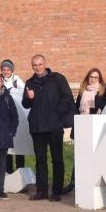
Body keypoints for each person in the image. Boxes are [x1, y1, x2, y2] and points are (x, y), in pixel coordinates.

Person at [22, 54, 75, 201]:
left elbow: (67, 97)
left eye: (39, 64)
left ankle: (56, 192)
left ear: (44, 64)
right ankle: (42, 191)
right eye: (34, 65)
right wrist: (29, 98)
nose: (37, 67)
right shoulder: (29, 82)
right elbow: (25, 104)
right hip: (37, 127)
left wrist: (57, 113)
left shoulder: (57, 79)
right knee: (40, 160)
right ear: (32, 66)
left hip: (54, 126)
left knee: (57, 159)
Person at [62, 67, 106, 194]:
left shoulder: (104, 91)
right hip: (81, 127)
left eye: (95, 77)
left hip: (96, 129)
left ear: (99, 78)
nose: (92, 79)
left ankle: (99, 185)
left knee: (96, 157)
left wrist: (99, 109)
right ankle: (74, 183)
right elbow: (76, 108)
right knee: (79, 156)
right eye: (90, 76)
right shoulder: (82, 91)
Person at [0, 59, 25, 174]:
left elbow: (24, 91)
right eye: (3, 70)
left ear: (12, 70)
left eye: (8, 69)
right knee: (7, 147)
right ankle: (8, 172)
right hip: (4, 116)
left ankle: (20, 171)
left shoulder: (16, 80)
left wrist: (11, 90)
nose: (5, 72)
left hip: (17, 114)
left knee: (19, 145)